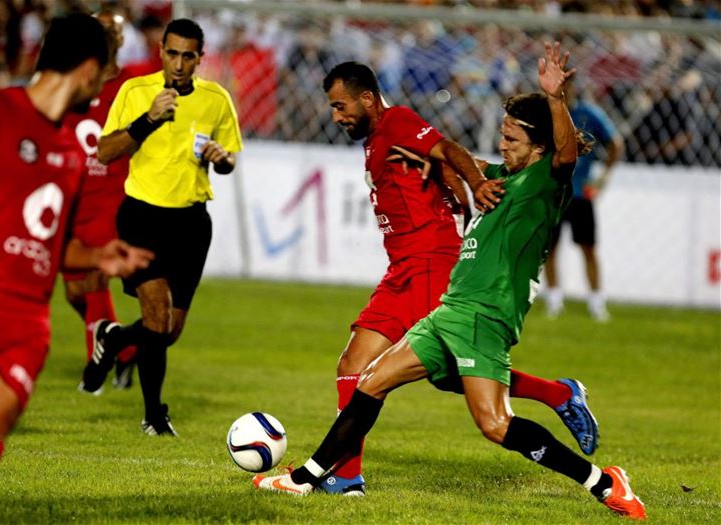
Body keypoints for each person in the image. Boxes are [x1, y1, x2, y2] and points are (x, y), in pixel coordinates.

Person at [253, 42, 646, 521]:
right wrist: (435, 165)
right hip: (450, 309)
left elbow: (564, 155)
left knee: (496, 424)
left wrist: (556, 100)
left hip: (483, 314)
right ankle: (306, 479)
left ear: (538, 147)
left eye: (513, 139)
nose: (502, 146)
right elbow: (467, 162)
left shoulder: (545, 182)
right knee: (370, 379)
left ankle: (604, 482)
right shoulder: (504, 175)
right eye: (502, 137)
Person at [312, 61, 600, 497]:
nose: (336, 115)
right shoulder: (384, 139)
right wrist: (450, 170)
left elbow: (450, 149)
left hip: (431, 262)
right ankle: (557, 394)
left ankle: (341, 474)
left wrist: (473, 179)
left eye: (340, 105)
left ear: (367, 98)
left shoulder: (400, 121)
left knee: (433, 372)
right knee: (402, 370)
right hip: (404, 268)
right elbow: (456, 159)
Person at [0, 14, 153, 524]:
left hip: (24, 323)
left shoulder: (73, 150)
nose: (105, 85)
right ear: (89, 71)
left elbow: (54, 243)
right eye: (105, 71)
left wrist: (96, 257)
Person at [78, 18, 243, 436]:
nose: (180, 64)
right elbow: (105, 151)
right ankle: (154, 416)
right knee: (156, 314)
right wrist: (148, 120)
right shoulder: (136, 93)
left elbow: (229, 159)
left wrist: (222, 159)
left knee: (167, 332)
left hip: (190, 224)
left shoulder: (216, 100)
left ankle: (113, 340)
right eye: (173, 53)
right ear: (161, 52)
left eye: (189, 56)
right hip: (142, 217)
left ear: (200, 58)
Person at [64, 10, 138, 392]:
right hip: (76, 196)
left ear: (122, 38)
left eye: (114, 29)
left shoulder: (135, 83)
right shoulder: (74, 80)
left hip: (115, 194)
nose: (108, 35)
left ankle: (94, 374)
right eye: (101, 28)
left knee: (95, 279)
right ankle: (122, 349)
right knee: (74, 292)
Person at [544, 77, 624, 321]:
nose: (563, 89)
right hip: (553, 192)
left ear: (573, 86)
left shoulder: (589, 113)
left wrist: (601, 179)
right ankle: (554, 300)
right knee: (550, 248)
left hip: (579, 192)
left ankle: (597, 301)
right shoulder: (546, 114)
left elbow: (616, 144)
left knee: (588, 247)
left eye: (566, 83)